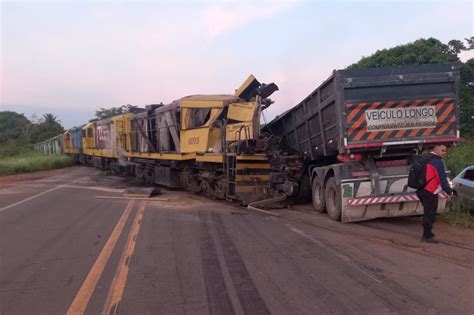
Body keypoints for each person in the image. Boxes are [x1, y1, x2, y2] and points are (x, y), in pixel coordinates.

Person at [416, 144, 454, 244]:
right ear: (436, 150)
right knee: (430, 214)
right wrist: (449, 191)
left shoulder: (425, 158)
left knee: (428, 213)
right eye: (442, 151)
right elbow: (442, 178)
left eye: (445, 151)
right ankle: (427, 236)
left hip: (421, 190)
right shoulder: (437, 162)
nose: (444, 153)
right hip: (429, 191)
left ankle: (428, 234)